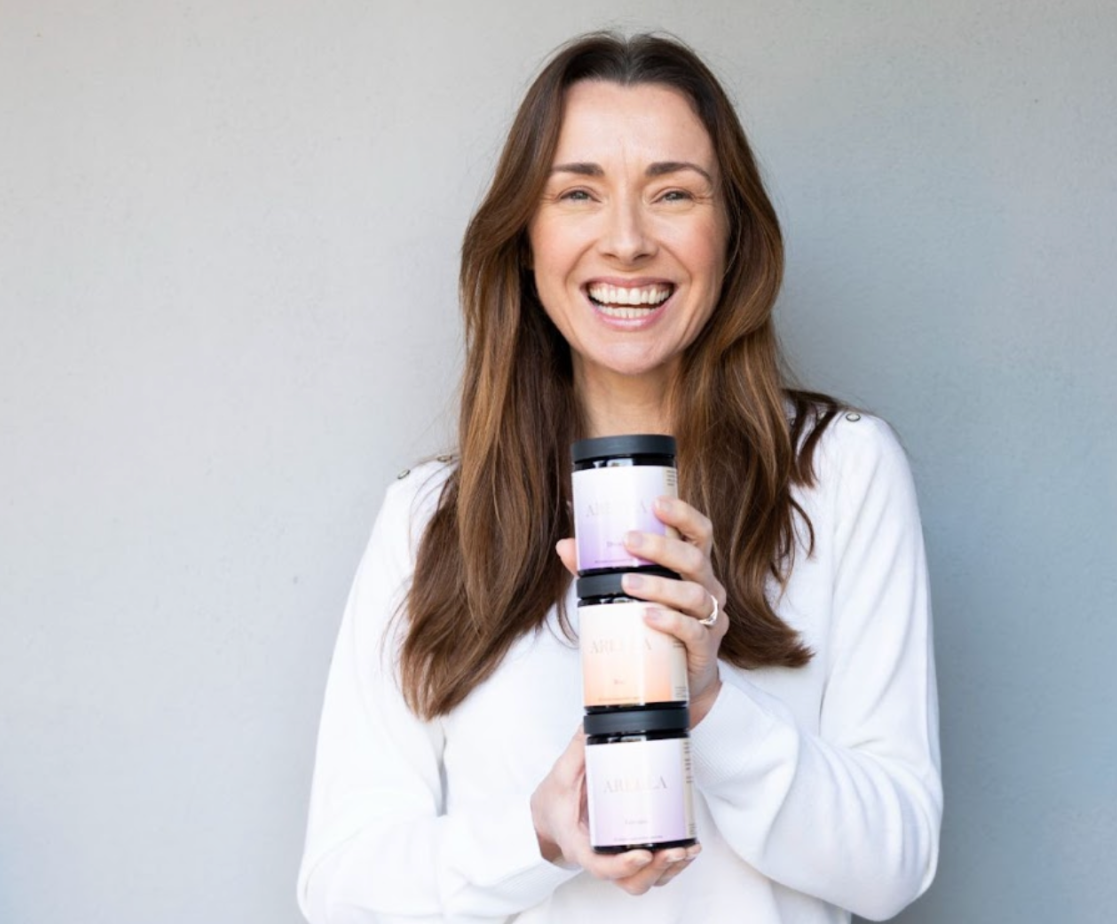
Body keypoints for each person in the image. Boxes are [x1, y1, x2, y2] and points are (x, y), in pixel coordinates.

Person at [296, 32, 941, 924]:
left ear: (731, 234)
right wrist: (536, 838)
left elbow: (894, 863)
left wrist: (710, 697)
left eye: (673, 192)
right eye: (578, 193)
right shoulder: (428, 519)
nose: (629, 241)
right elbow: (342, 888)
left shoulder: (839, 470)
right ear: (526, 238)